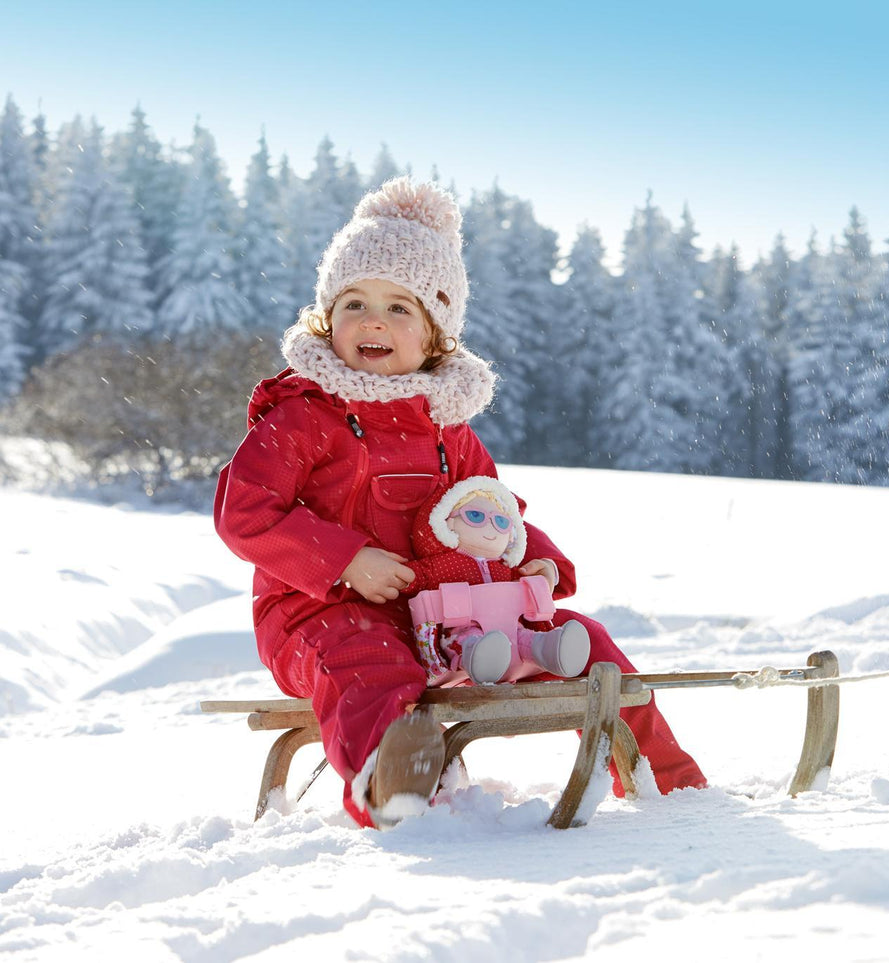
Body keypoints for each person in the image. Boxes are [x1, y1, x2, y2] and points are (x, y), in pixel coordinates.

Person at [214, 178, 706, 828]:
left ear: (435, 333)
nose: (371, 320)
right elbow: (245, 513)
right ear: (326, 317)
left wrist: (536, 560)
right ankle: (395, 788)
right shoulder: (304, 417)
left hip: (447, 618)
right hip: (317, 617)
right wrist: (345, 559)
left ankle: (669, 784)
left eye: (399, 308)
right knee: (369, 662)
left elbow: (496, 514)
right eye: (353, 301)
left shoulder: (448, 430)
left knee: (583, 639)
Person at [402, 474, 592, 687]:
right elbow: (414, 576)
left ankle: (551, 649)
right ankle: (482, 658)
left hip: (510, 627)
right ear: (447, 522)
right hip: (459, 628)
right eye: (475, 516)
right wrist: (395, 575)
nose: (490, 527)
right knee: (467, 641)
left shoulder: (506, 568)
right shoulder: (441, 564)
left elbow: (528, 578)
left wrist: (548, 572)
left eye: (501, 522)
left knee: (525, 638)